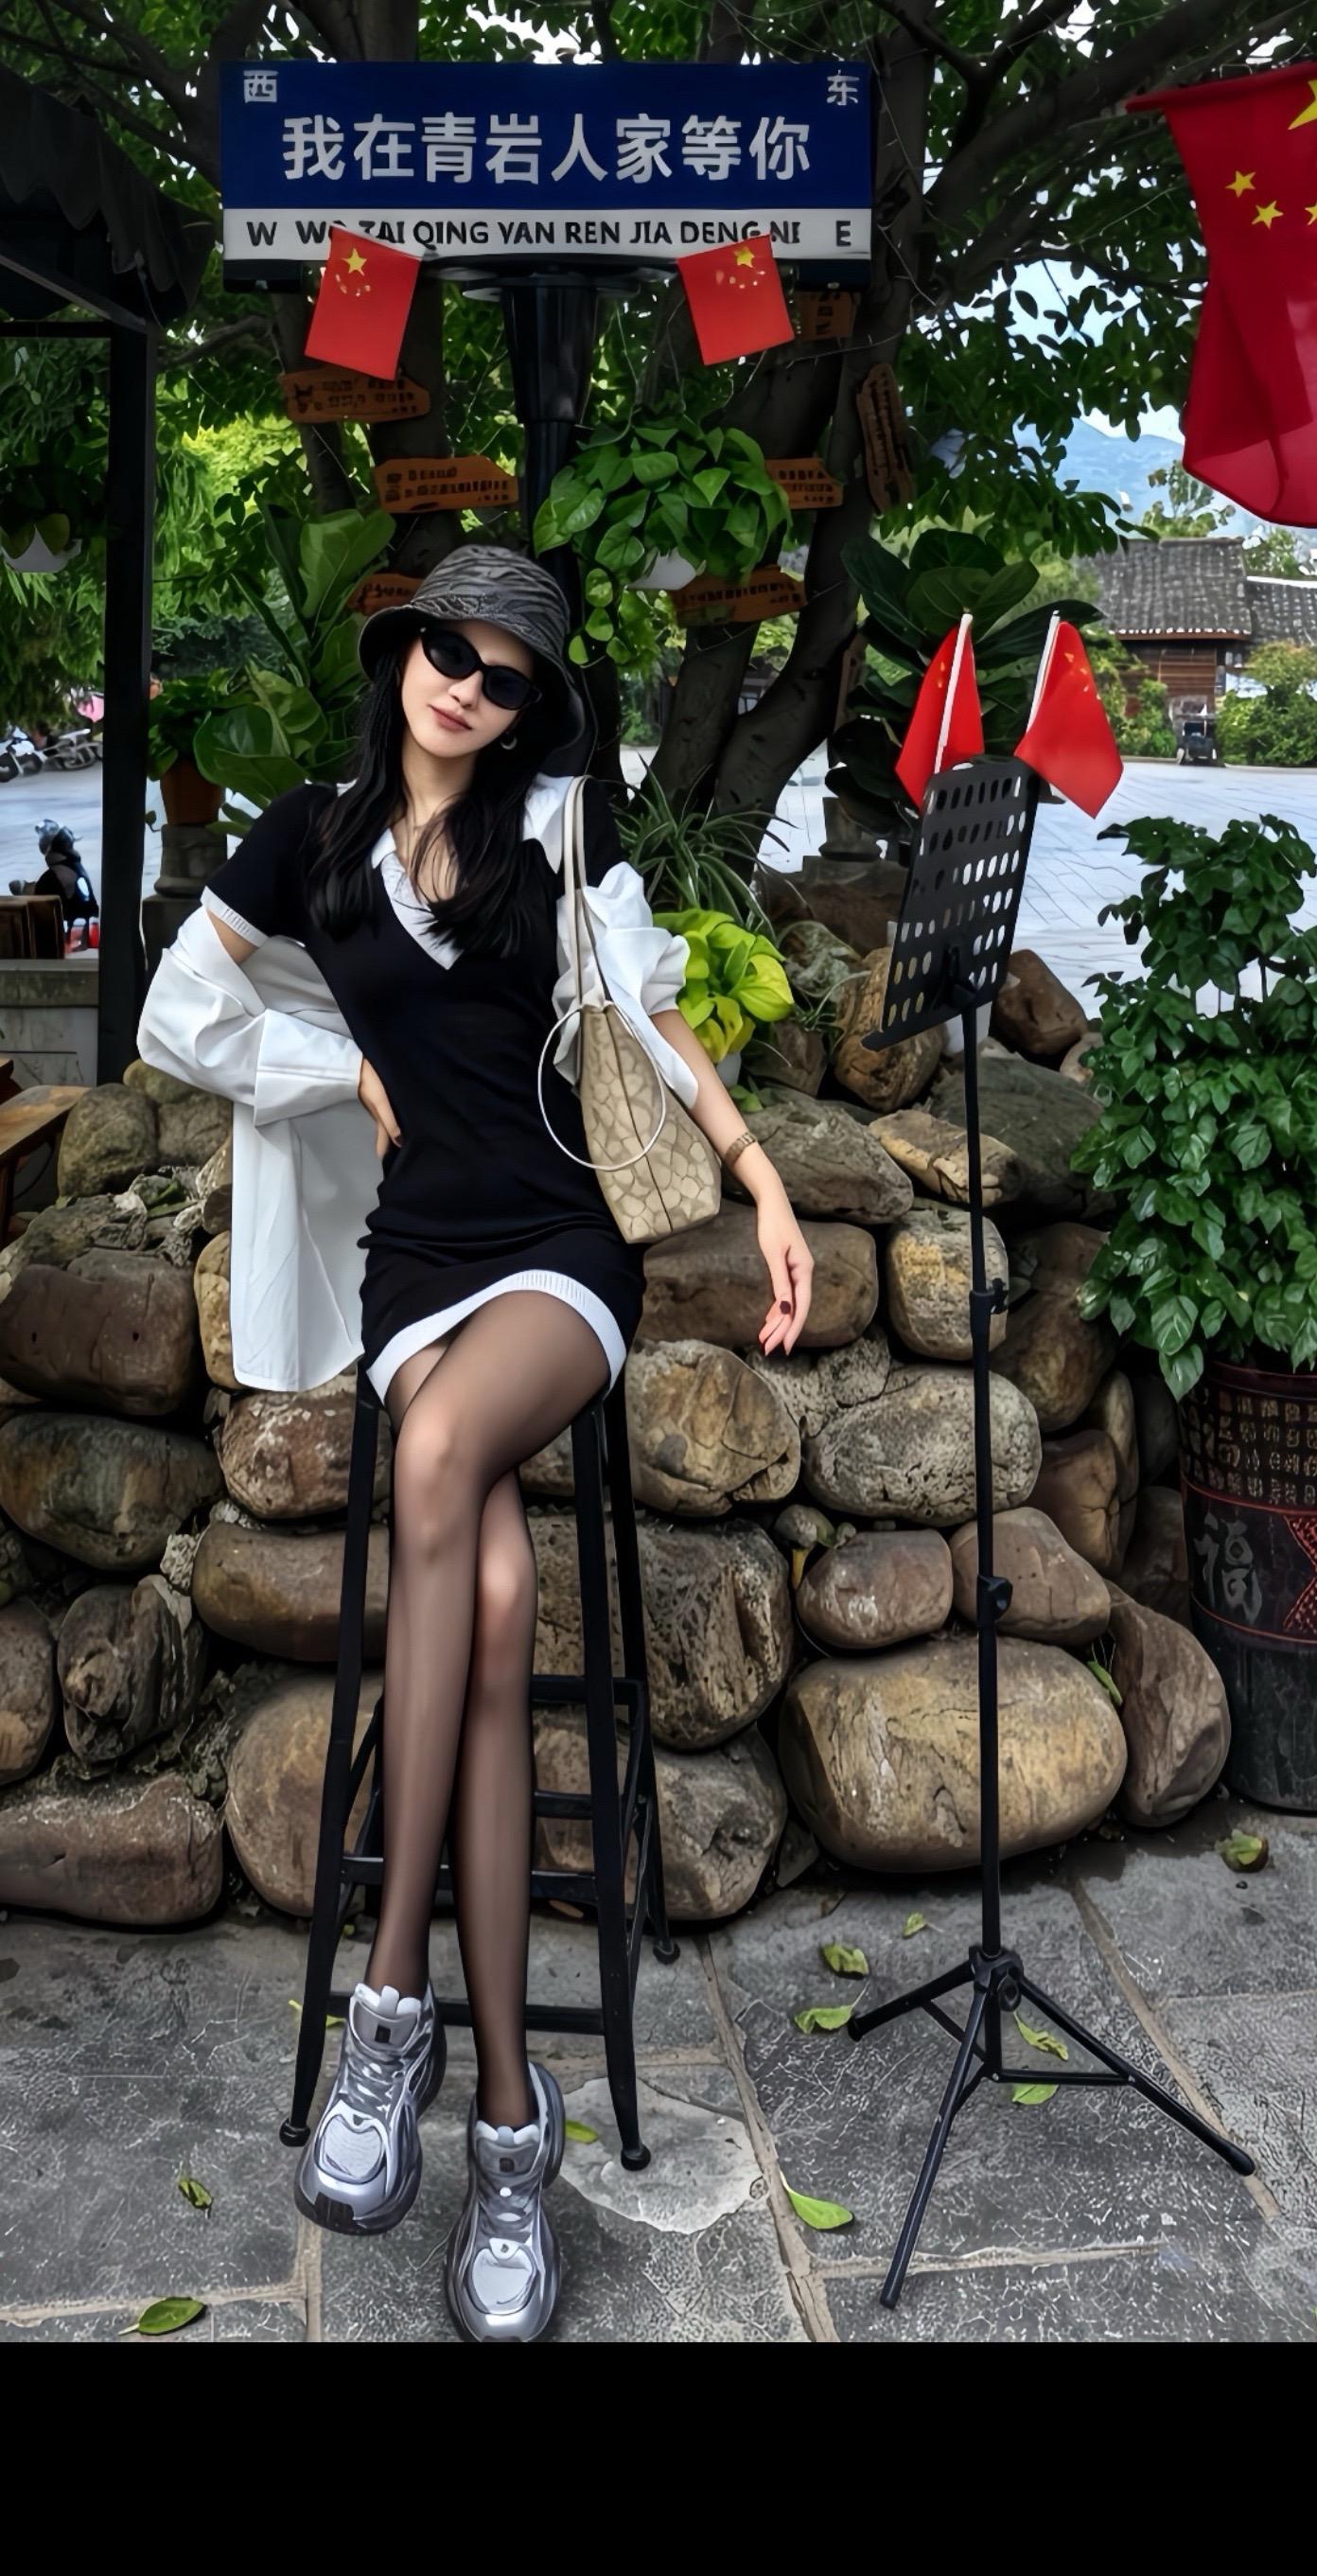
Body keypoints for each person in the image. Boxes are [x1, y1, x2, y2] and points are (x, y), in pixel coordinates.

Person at [135, 545, 814, 2343]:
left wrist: (759, 1181)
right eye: (452, 647)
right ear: (407, 650)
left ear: (529, 712)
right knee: (495, 1611)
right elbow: (176, 1012)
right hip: (418, 1268)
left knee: (439, 1466)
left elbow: (651, 1015)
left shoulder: (553, 838)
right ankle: (512, 2125)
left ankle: (388, 2009)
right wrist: (334, 1070)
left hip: (559, 1256)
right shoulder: (309, 835)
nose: (469, 685)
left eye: (508, 676)